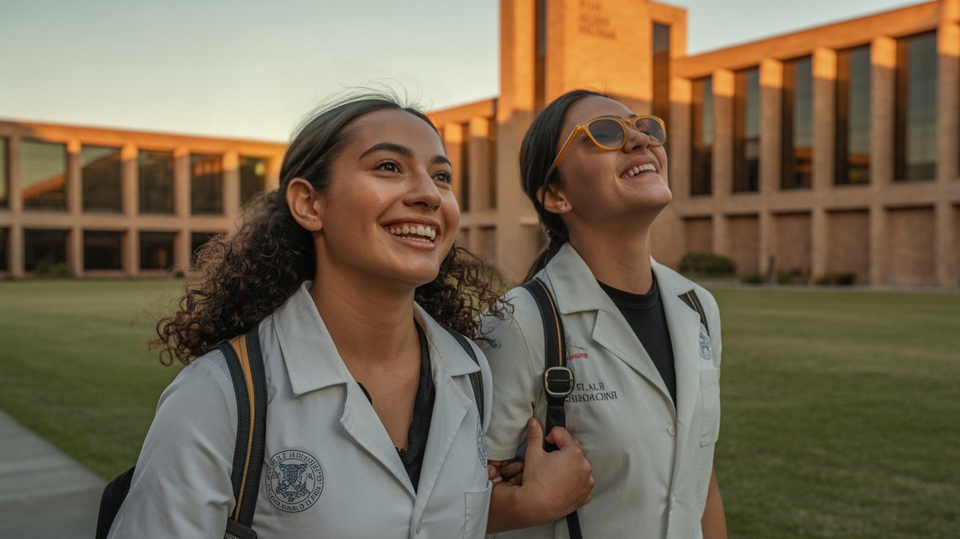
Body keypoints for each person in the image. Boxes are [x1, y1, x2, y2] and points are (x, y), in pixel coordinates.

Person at [107, 93, 593, 538]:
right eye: (388, 166)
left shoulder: (470, 371)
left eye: (441, 176)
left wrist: (526, 504)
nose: (429, 193)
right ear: (309, 204)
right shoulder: (217, 396)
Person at [480, 89, 728, 539]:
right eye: (604, 133)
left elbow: (700, 481)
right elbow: (464, 499)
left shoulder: (698, 306)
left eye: (643, 127)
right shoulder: (519, 321)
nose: (640, 140)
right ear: (556, 195)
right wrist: (533, 503)